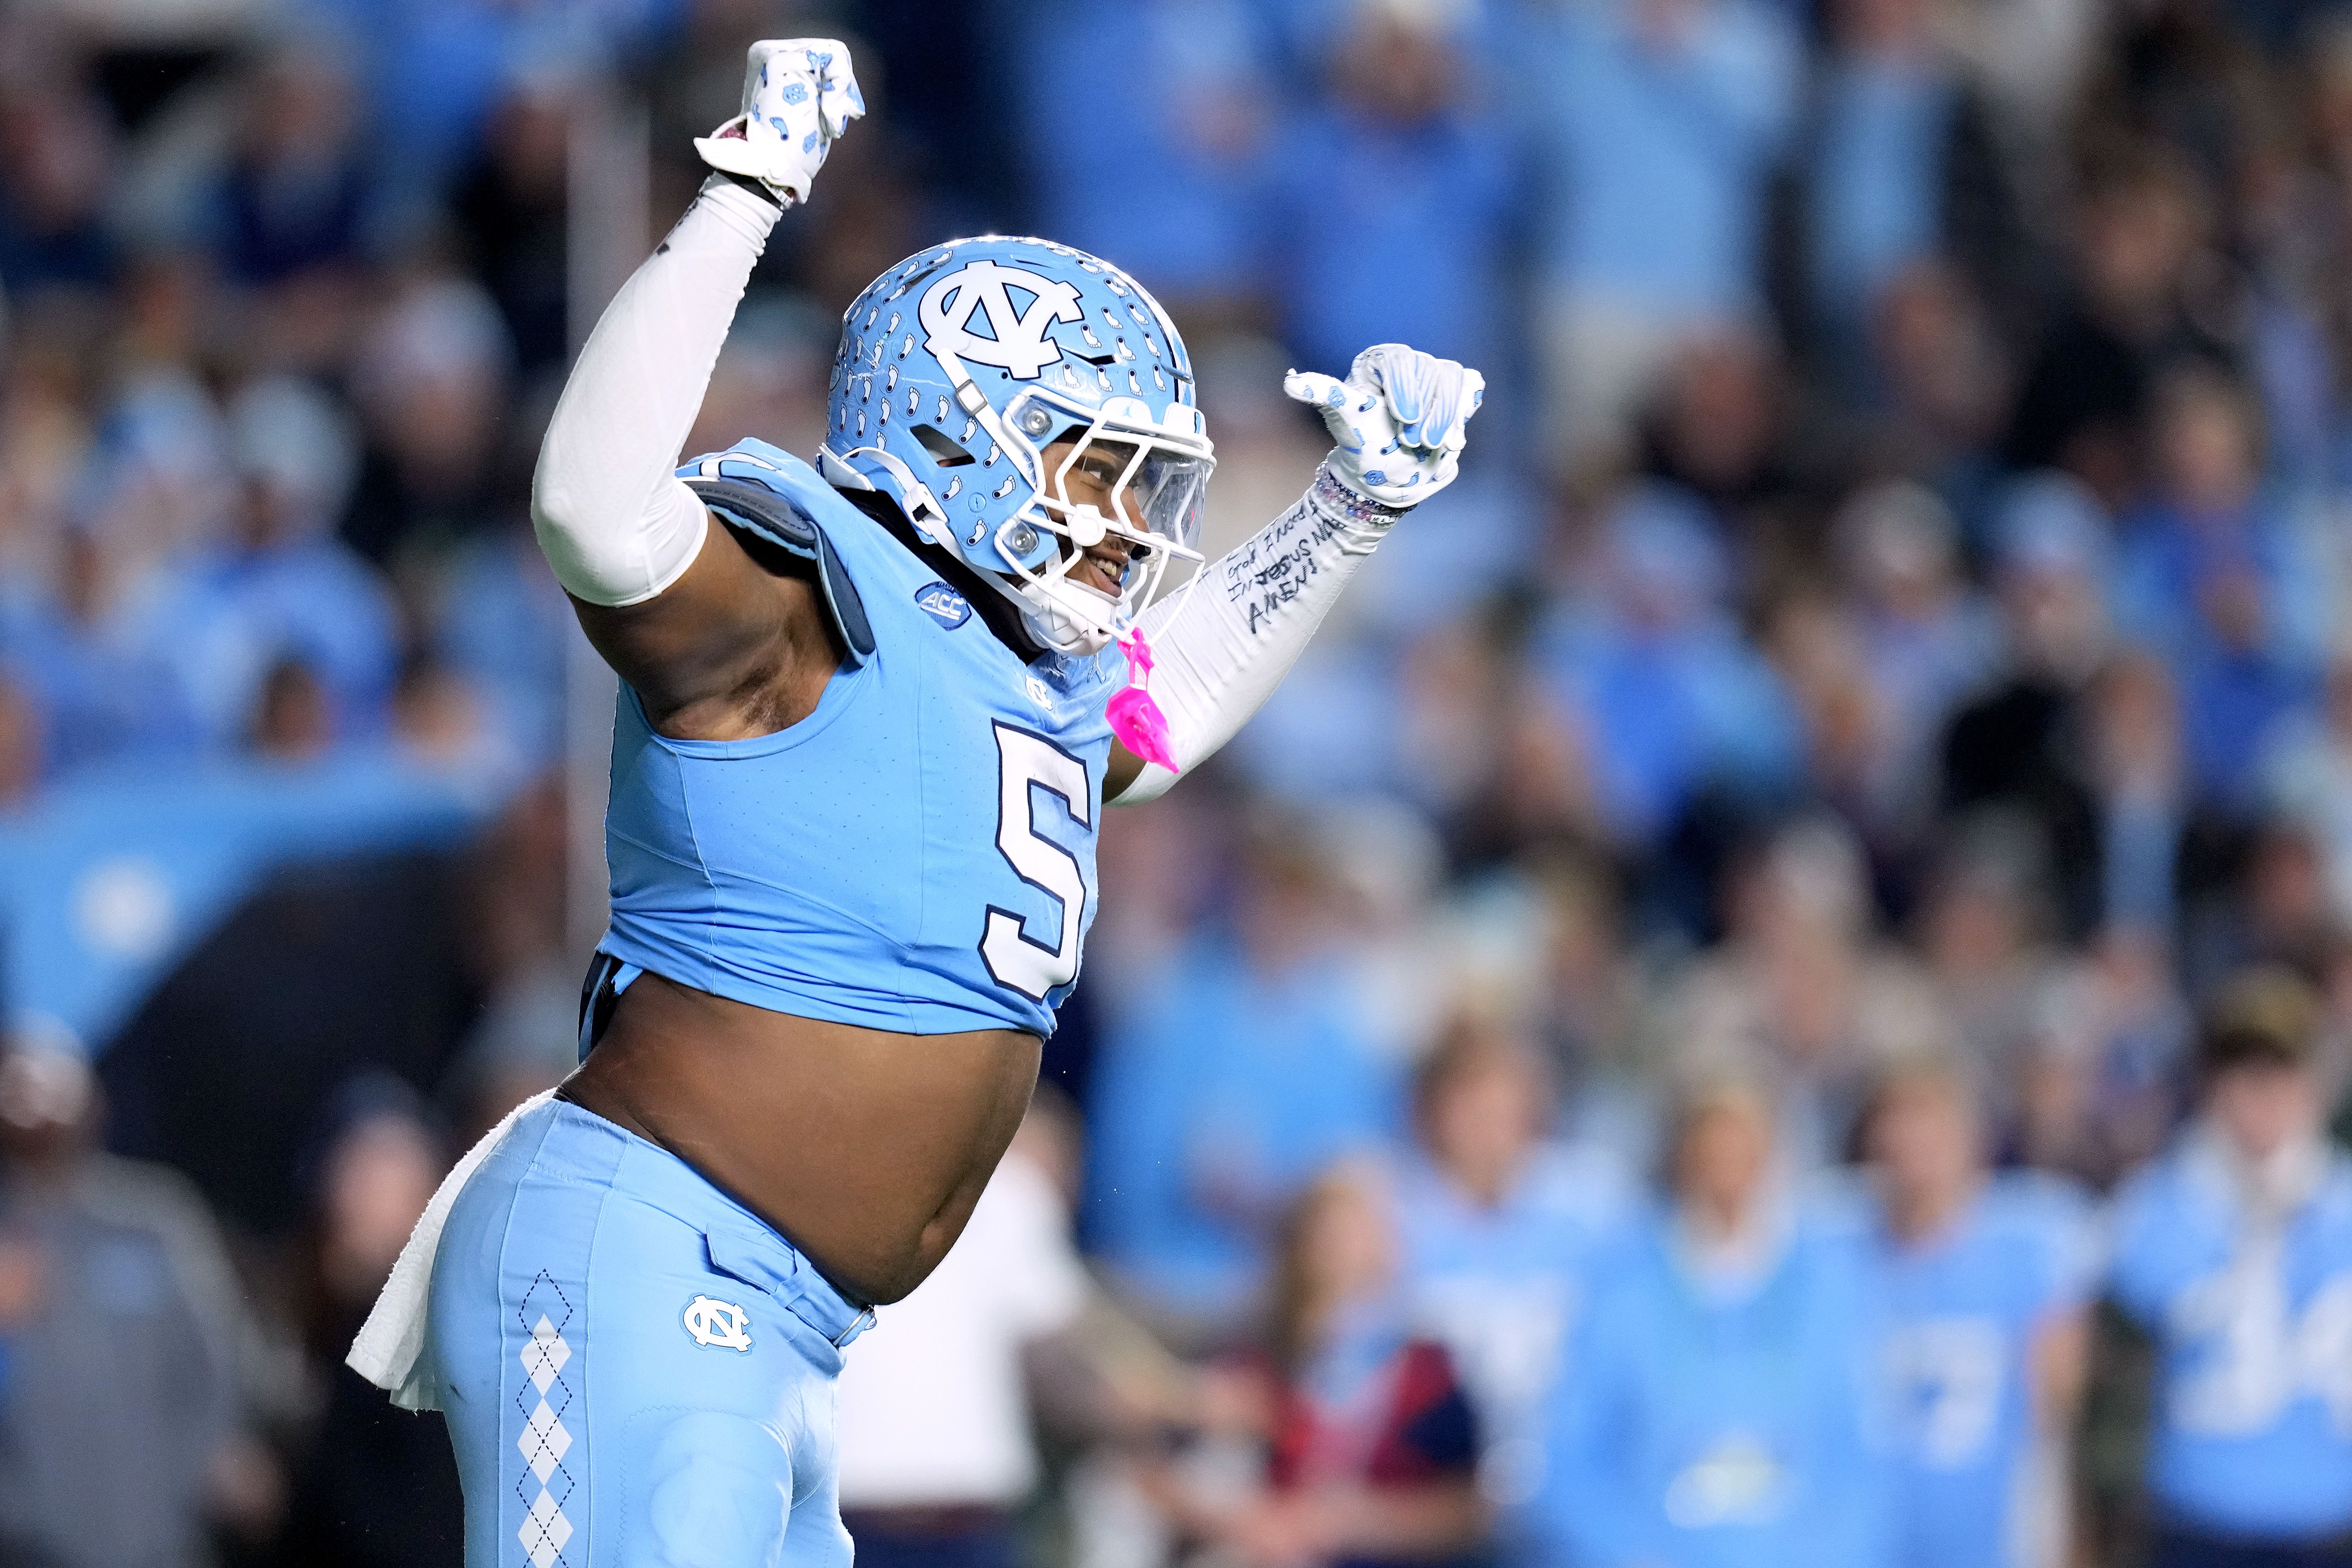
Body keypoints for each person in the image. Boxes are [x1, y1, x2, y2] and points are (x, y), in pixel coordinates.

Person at [346, 38, 1485, 1568]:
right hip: (652, 1247)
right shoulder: (807, 589)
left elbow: (1174, 704)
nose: (1122, 525)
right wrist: (747, 191)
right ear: (957, 432)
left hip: (785, 1315)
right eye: (1093, 473)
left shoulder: (1022, 673)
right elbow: (594, 510)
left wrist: (1350, 506)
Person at [1532, 1069, 1893, 1568]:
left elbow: (1860, 1468)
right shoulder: (1621, 1290)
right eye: (1711, 1146)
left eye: (1743, 1145)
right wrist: (1631, 1554)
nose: (1726, 1165)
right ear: (1683, 1154)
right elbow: (1570, 1459)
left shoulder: (1826, 1291)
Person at [2107, 968, 2352, 1566]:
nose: (2262, 1094)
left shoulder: (2340, 1202)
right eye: (2243, 1072)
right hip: (2196, 1523)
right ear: (2210, 1084)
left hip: (2329, 1525)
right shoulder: (2153, 1210)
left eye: (2281, 1071)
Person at [1143, 1164, 1488, 1568]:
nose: (1343, 1251)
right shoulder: (1250, 1358)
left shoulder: (1427, 1373)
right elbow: (1150, 1468)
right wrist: (1240, 1521)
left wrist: (1351, 1519)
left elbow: (1469, 1509)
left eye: (1362, 1233)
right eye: (1329, 1233)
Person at [1853, 1060, 2095, 1568]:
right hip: (1865, 1538)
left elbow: (2055, 1412)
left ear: (1971, 1138)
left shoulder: (2029, 1243)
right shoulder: (1834, 1245)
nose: (1915, 1149)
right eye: (1900, 1127)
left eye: (1932, 1128)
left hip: (1989, 1539)